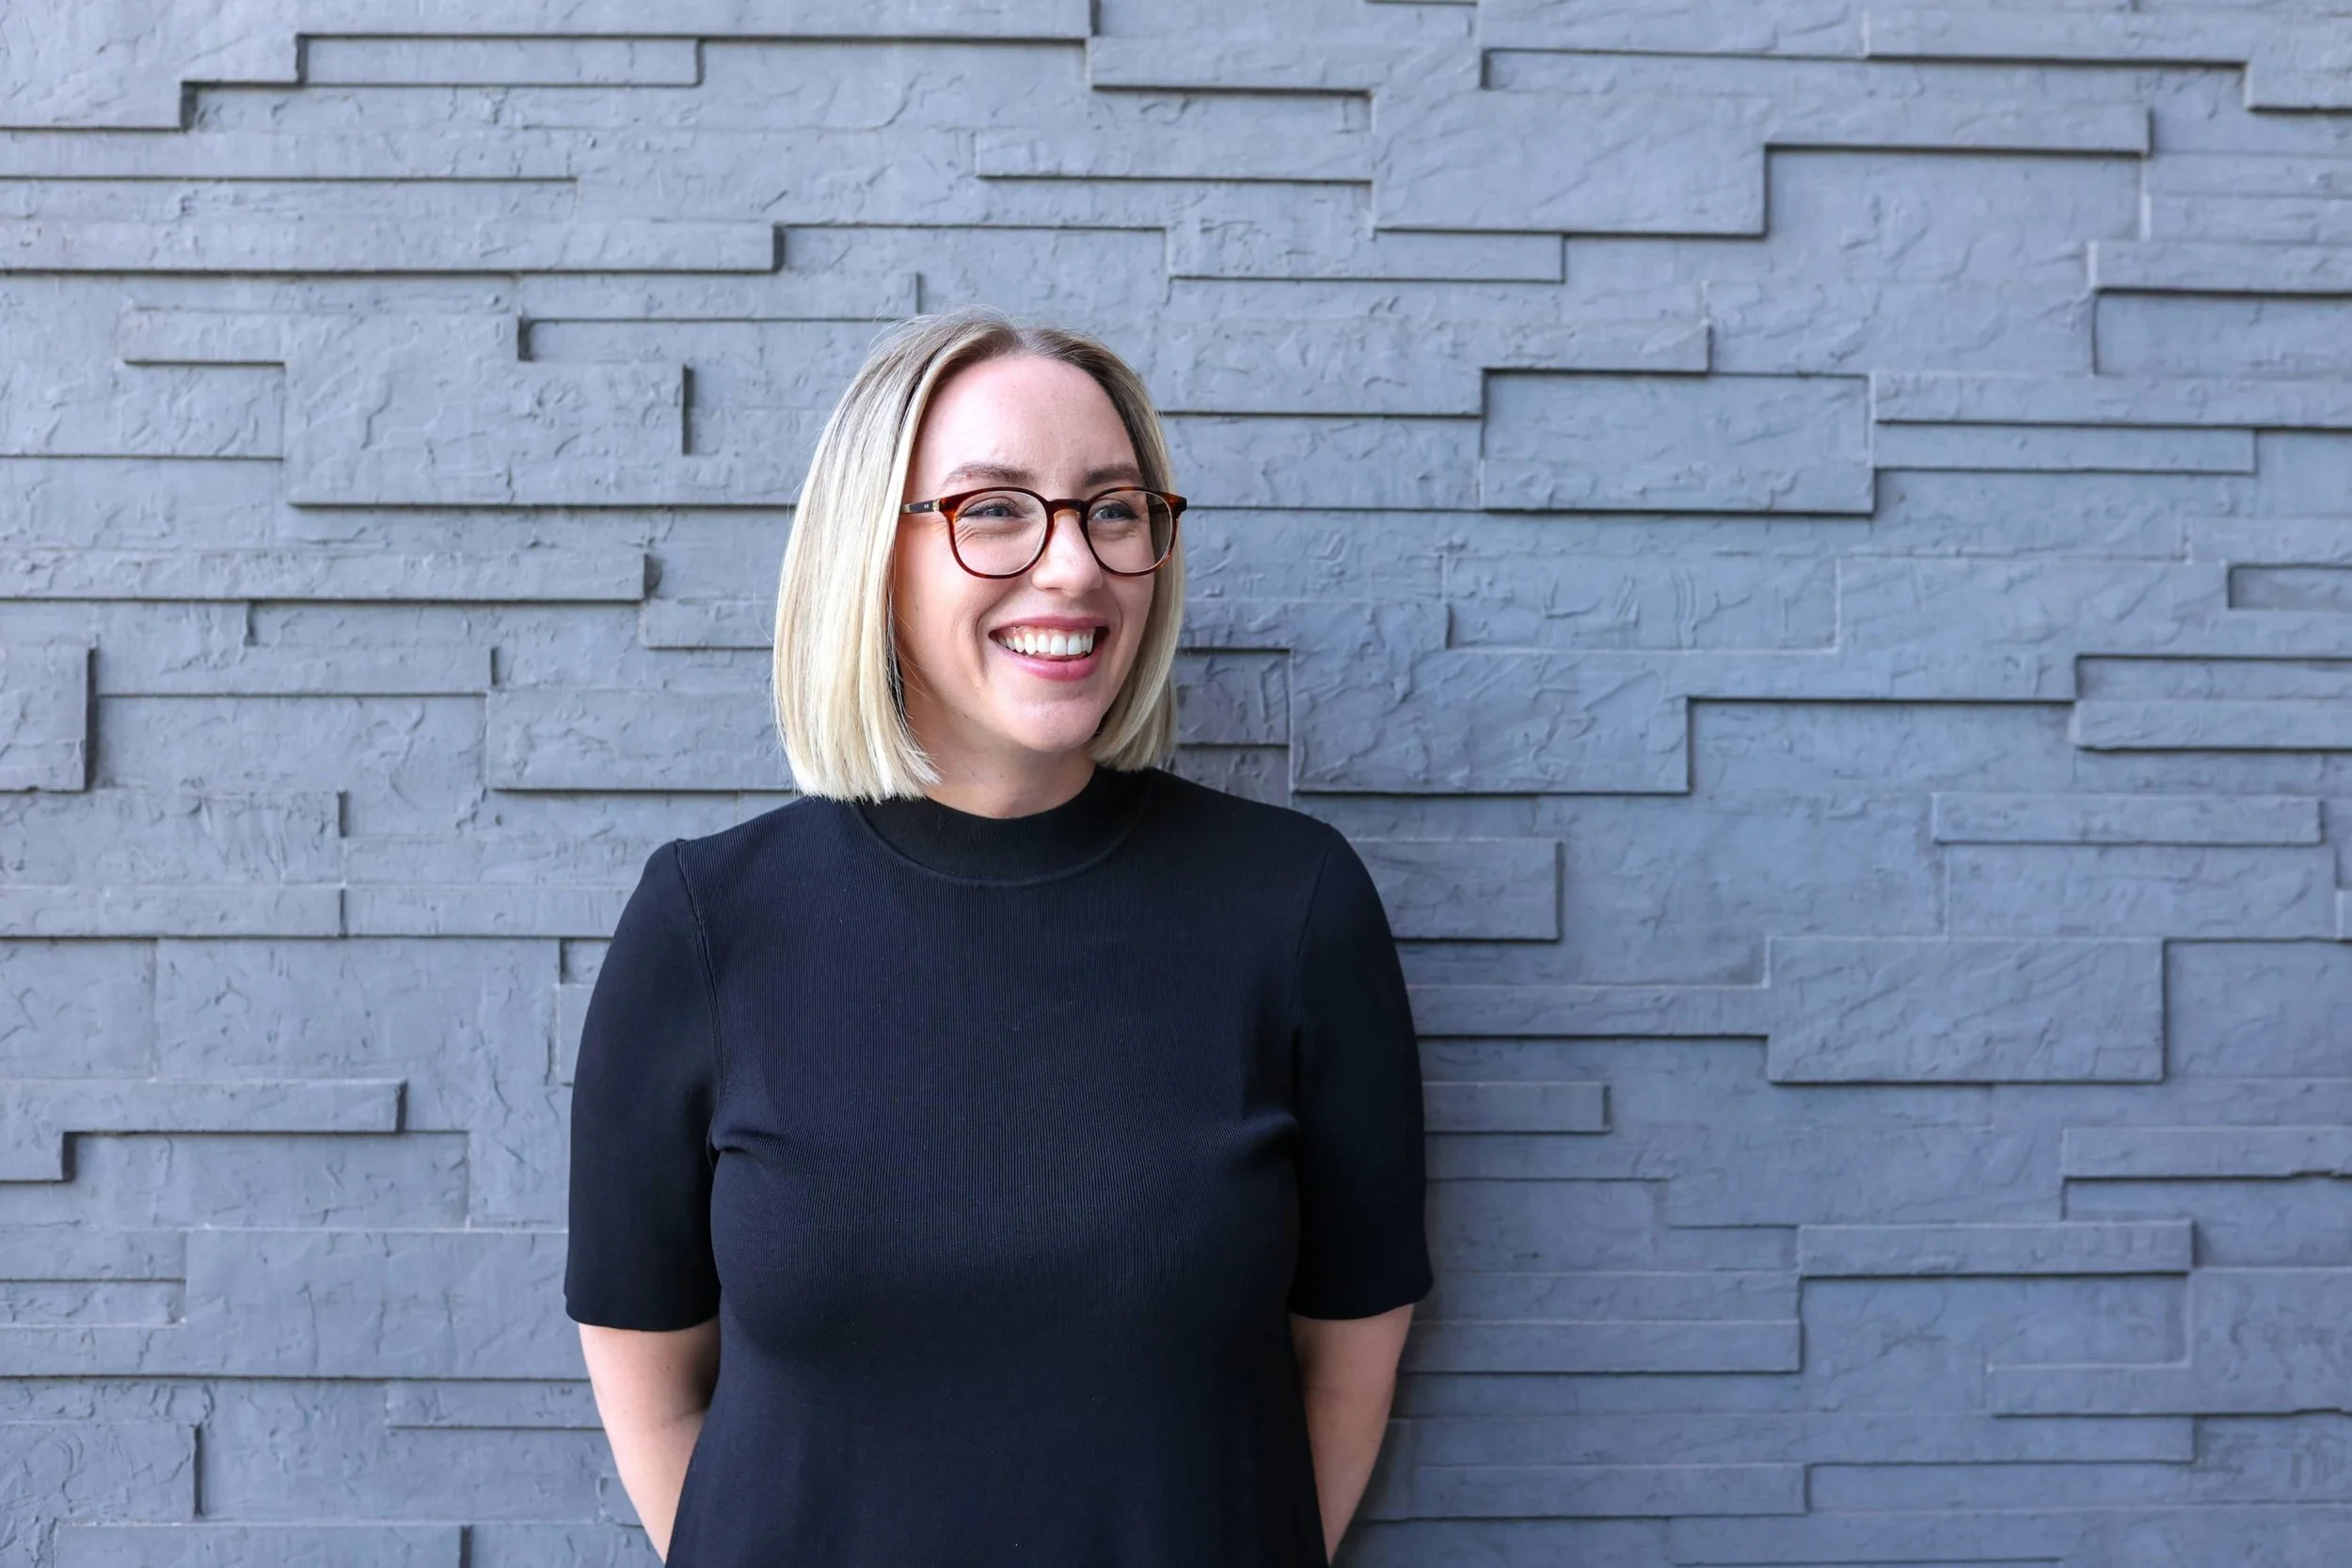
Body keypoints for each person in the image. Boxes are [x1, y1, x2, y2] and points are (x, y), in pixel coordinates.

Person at [562, 306, 1434, 1566]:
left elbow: (1346, 1364)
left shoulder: (1292, 908)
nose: (1073, 565)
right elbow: (654, 1384)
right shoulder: (708, 923)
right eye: (993, 509)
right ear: (874, 554)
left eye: (1114, 508)